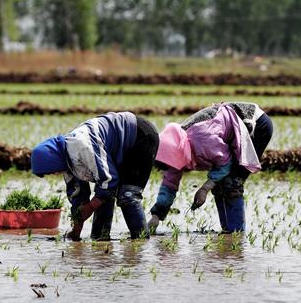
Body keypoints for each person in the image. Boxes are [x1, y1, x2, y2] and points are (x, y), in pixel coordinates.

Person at [30, 112, 159, 240]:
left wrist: (91, 207)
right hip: (121, 148)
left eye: (51, 171)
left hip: (140, 136)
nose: (54, 174)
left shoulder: (81, 147)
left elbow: (109, 179)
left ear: (52, 161)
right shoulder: (67, 163)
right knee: (102, 194)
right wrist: (76, 230)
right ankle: (100, 238)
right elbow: (78, 197)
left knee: (128, 195)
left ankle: (140, 242)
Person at [147, 102, 273, 233]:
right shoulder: (173, 150)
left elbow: (225, 164)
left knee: (232, 182)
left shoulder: (202, 139)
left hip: (256, 124)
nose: (172, 168)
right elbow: (169, 185)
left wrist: (204, 189)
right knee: (219, 184)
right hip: (227, 134)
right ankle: (228, 232)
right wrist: (156, 216)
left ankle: (236, 234)